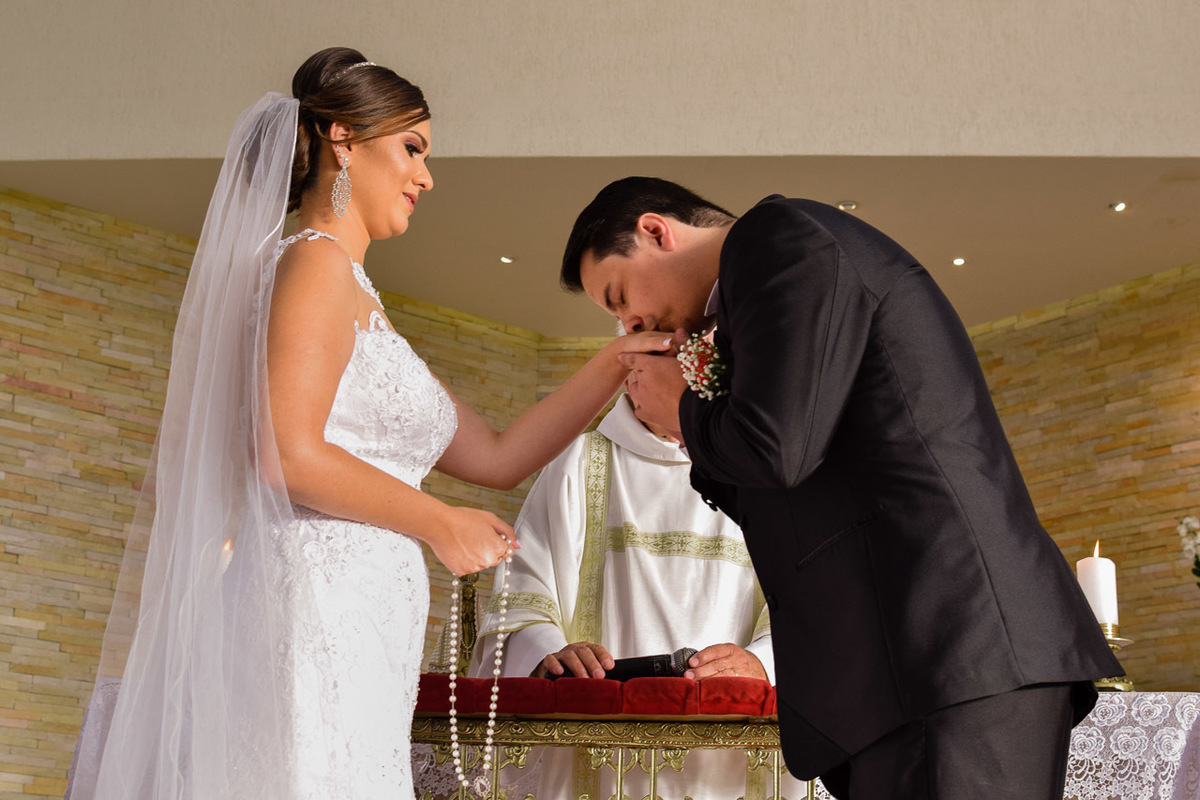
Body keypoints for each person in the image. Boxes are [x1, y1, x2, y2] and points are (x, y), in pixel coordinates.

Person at [65, 50, 668, 800]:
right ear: (344, 140)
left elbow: (500, 455)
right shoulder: (313, 264)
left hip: (359, 618)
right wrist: (437, 520)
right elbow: (284, 454)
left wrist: (618, 362)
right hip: (312, 603)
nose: (426, 176)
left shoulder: (355, 292)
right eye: (412, 148)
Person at [558, 177, 1124, 800]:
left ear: (655, 230)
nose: (630, 323)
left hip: (946, 643)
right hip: (909, 665)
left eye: (618, 297)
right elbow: (788, 482)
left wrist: (687, 409)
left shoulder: (777, 238)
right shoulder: (758, 290)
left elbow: (778, 449)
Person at [467, 391, 809, 799]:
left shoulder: (769, 470)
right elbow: (523, 592)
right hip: (594, 749)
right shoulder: (578, 461)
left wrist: (763, 663)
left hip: (733, 757)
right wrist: (551, 653)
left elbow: (814, 602)